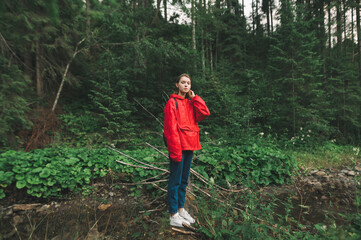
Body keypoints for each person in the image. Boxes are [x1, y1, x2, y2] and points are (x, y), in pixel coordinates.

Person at [163, 73, 210, 227]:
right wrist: (175, 152)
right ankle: (173, 214)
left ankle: (181, 209)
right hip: (179, 147)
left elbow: (204, 113)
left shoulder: (191, 103)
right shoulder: (172, 103)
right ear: (177, 85)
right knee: (175, 181)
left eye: (188, 83)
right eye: (183, 82)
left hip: (190, 146)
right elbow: (171, 130)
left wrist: (195, 97)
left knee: (183, 180)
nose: (185, 85)